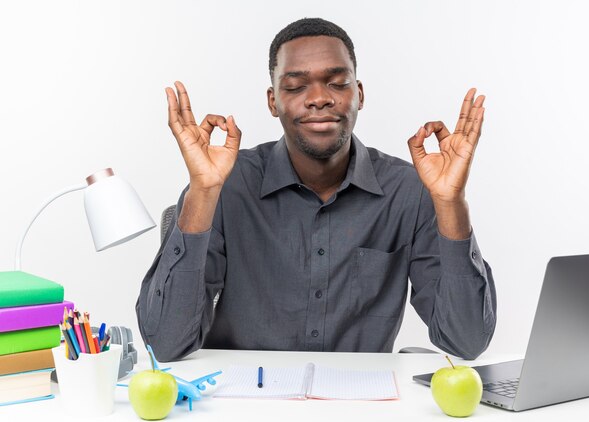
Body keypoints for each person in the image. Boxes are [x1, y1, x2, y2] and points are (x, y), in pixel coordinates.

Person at [136, 17, 496, 362]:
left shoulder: (411, 191)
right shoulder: (224, 185)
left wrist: (451, 202)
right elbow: (167, 343)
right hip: (241, 399)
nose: (319, 98)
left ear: (359, 94)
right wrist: (202, 191)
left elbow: (465, 341)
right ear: (273, 100)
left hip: (359, 402)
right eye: (295, 86)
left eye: (337, 83)